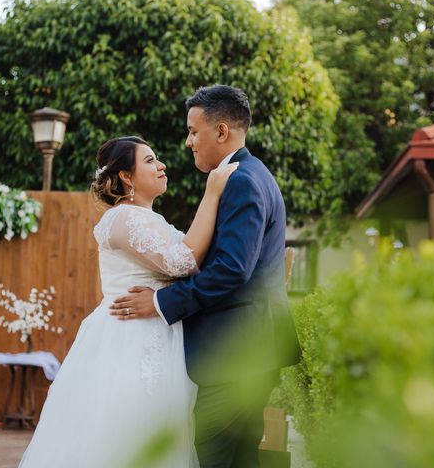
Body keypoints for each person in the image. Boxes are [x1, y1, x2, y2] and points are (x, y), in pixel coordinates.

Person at [110, 85, 301, 468]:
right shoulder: (251, 174)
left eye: (194, 131)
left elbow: (232, 269)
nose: (188, 141)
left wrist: (161, 302)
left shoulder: (241, 180)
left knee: (212, 458)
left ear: (221, 132)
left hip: (233, 354)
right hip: (248, 352)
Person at [18, 136, 237, 468]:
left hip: (158, 334)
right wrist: (211, 193)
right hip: (129, 340)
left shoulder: (150, 219)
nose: (161, 165)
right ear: (126, 176)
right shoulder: (123, 219)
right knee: (127, 435)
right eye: (150, 161)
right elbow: (182, 263)